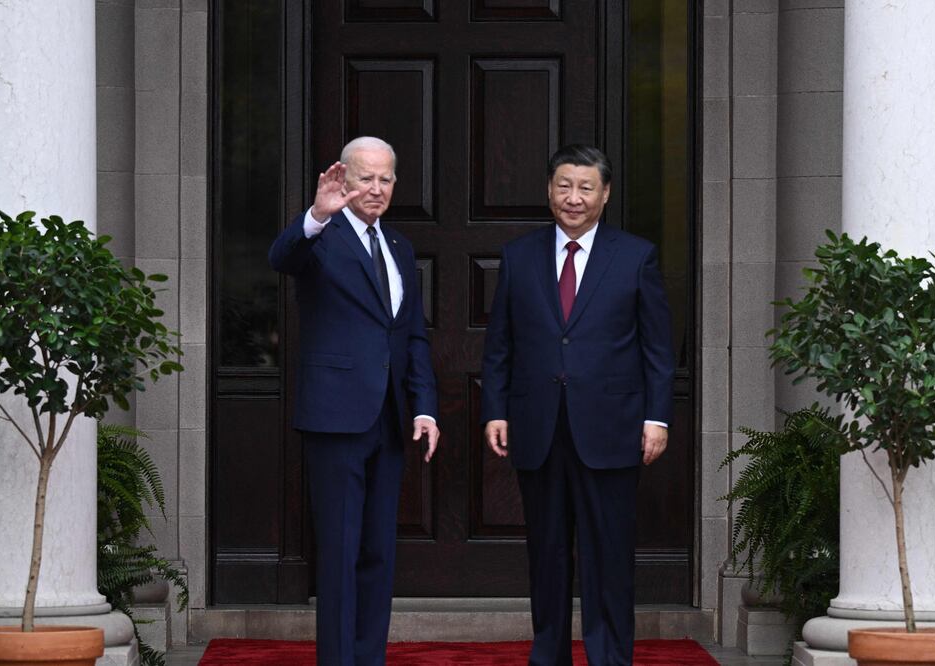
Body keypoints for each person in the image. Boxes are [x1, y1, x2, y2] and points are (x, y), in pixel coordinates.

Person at [480, 144, 675, 665]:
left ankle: (609, 656)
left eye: (585, 187)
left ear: (605, 194)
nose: (573, 197)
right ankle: (548, 655)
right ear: (549, 190)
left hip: (612, 428)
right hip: (538, 427)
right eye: (564, 186)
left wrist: (657, 418)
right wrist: (494, 409)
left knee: (608, 555)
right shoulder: (519, 256)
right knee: (545, 554)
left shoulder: (635, 256)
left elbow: (657, 349)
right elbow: (501, 343)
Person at [269, 136, 440, 666]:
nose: (377, 188)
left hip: (389, 419)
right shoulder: (322, 237)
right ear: (342, 178)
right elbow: (283, 256)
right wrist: (316, 215)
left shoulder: (400, 248)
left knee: (377, 554)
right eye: (366, 177)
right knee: (340, 554)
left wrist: (425, 406)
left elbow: (412, 335)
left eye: (386, 179)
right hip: (336, 417)